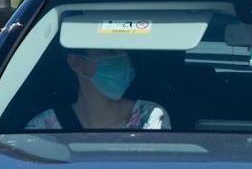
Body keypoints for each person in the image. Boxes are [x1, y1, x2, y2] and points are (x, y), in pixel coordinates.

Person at [26, 49, 170, 130]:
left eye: (124, 52)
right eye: (110, 52)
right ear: (77, 63)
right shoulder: (42, 127)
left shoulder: (151, 118)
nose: (122, 60)